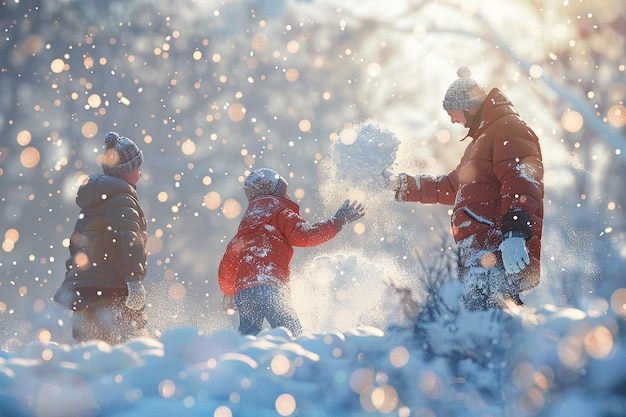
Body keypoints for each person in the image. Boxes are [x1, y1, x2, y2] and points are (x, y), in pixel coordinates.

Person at [388, 66, 544, 311]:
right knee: (481, 321)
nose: (451, 119)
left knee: (493, 318)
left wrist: (515, 233)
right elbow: (452, 186)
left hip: (498, 248)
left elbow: (522, 181)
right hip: (478, 252)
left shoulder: (508, 129)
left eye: (453, 112)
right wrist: (402, 186)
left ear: (470, 106)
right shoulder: (481, 142)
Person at [218, 168, 365, 336]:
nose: (286, 194)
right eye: (282, 189)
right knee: (291, 333)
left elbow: (228, 263)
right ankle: (294, 359)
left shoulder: (244, 227)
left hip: (244, 291)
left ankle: (246, 359)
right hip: (270, 283)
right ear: (274, 190)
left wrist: (229, 291)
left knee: (248, 335)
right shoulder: (280, 212)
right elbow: (307, 235)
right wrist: (337, 221)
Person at [54, 131, 149, 343]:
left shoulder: (95, 202)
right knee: (125, 340)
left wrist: (76, 274)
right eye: (137, 168)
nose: (140, 173)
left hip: (87, 288)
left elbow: (77, 244)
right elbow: (125, 240)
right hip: (111, 287)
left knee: (90, 341)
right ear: (125, 171)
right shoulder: (121, 199)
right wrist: (133, 279)